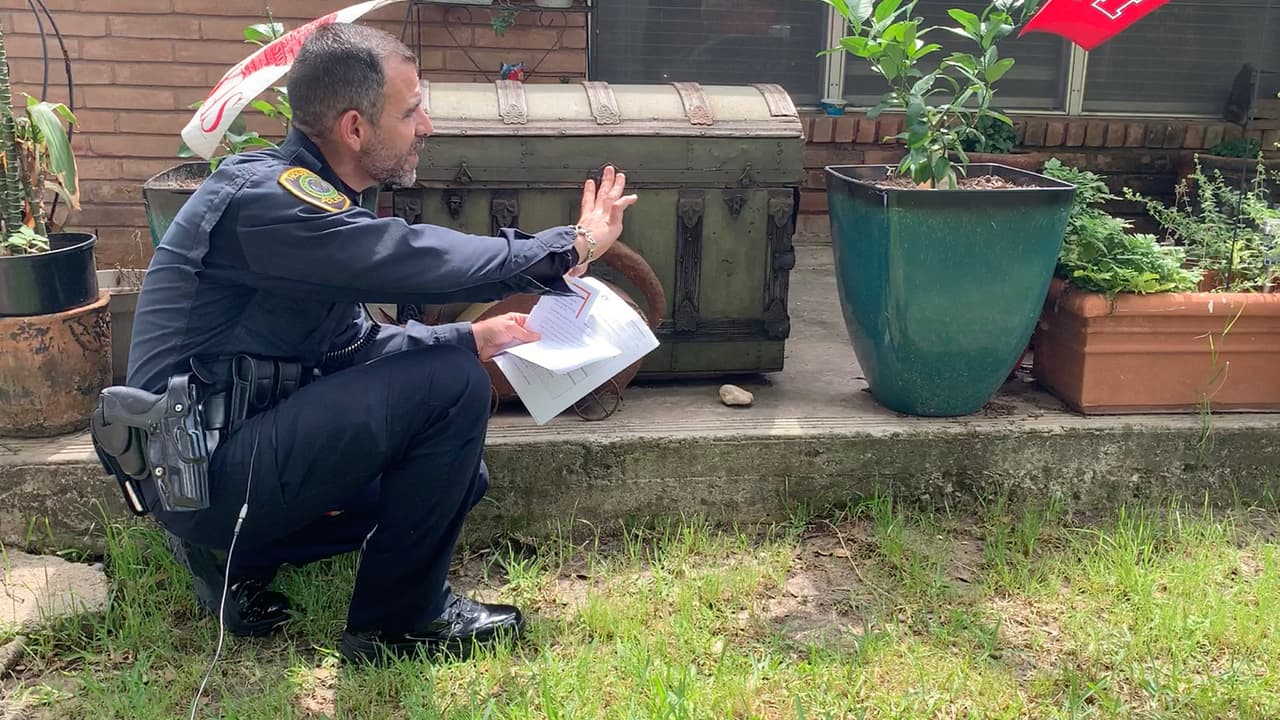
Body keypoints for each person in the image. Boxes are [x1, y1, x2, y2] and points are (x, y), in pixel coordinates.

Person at [120, 22, 637, 664]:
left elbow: (346, 348)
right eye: (412, 110)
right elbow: (414, 255)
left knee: (454, 477)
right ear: (354, 129)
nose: (427, 126)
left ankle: (233, 554)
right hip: (202, 472)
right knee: (452, 386)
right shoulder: (272, 202)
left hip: (216, 459)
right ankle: (398, 624)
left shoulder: (305, 199)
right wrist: (570, 246)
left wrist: (467, 334)